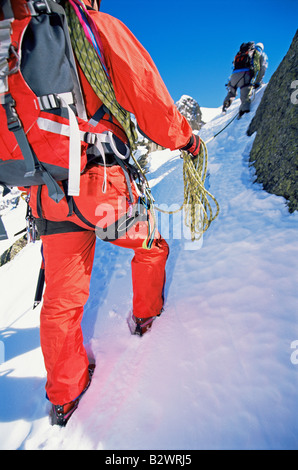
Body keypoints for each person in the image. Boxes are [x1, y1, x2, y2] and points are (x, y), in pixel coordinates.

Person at [27, 0, 201, 426]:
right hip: (101, 185)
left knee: (62, 300)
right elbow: (147, 95)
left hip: (46, 193)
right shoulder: (93, 27)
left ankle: (65, 394)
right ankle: (145, 315)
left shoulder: (11, 44)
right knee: (149, 245)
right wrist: (187, 142)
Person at [222, 41, 268, 117]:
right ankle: (242, 116)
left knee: (232, 92)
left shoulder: (243, 53)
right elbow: (262, 68)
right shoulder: (260, 54)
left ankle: (225, 106)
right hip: (245, 75)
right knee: (245, 98)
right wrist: (257, 82)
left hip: (234, 75)